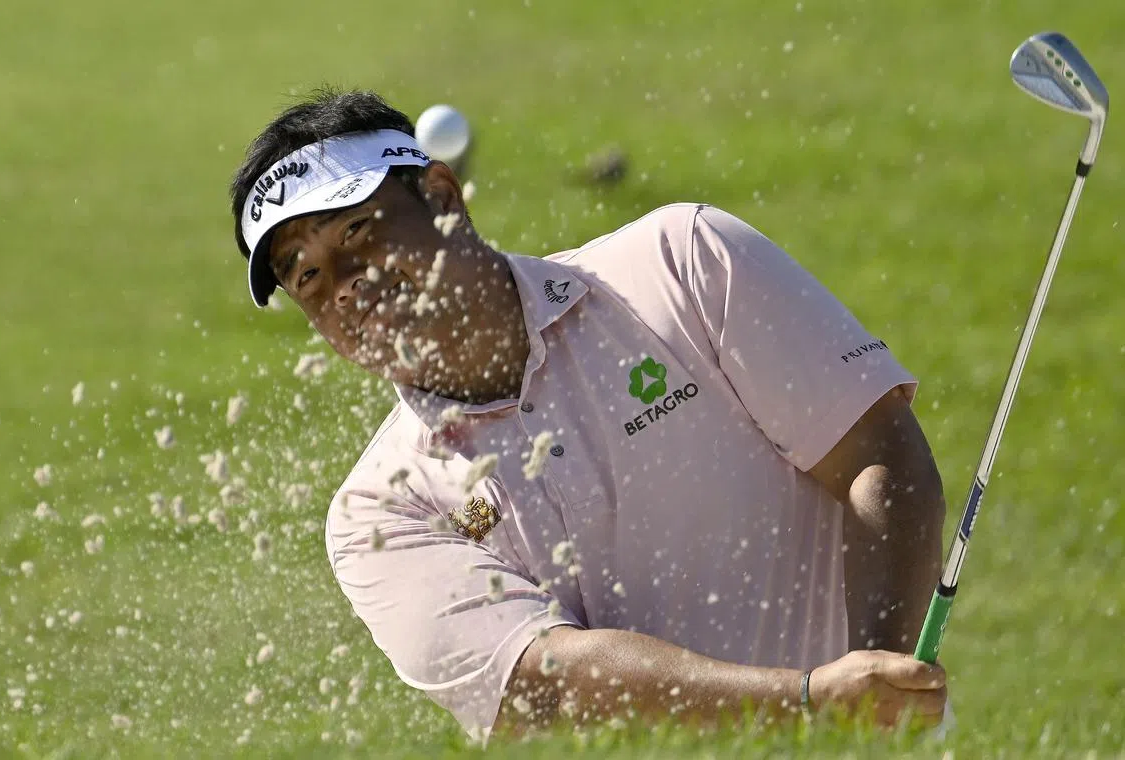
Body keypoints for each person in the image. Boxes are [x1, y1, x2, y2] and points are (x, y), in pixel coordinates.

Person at [228, 89, 949, 742]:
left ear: (442, 197)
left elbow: (876, 450)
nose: (345, 287)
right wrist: (811, 702)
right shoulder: (379, 516)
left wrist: (875, 691)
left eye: (357, 232)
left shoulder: (679, 263)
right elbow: (545, 681)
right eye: (308, 275)